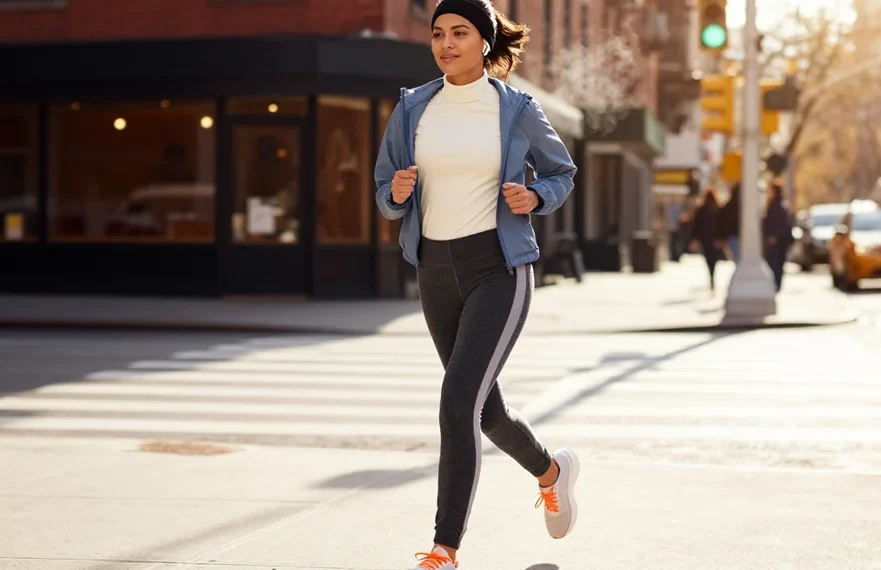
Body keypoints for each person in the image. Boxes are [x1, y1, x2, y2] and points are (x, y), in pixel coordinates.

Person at [374, 1, 580, 568]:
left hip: (499, 268)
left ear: (485, 42)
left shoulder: (514, 108)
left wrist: (536, 196)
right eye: (438, 33)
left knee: (456, 400)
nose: (445, 43)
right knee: (484, 411)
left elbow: (561, 171)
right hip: (435, 270)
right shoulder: (413, 108)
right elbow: (384, 194)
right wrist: (395, 192)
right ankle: (551, 471)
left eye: (459, 33)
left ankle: (445, 547)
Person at [689, 188, 723, 291]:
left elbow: (696, 226)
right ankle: (713, 276)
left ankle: (711, 276)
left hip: (706, 239)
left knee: (709, 258)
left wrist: (695, 239)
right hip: (715, 238)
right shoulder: (718, 209)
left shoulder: (702, 210)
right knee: (714, 259)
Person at [762, 181, 794, 292]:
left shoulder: (779, 206)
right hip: (777, 241)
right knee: (775, 264)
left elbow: (783, 224)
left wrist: (774, 236)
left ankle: (776, 286)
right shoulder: (775, 204)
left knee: (776, 265)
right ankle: (775, 285)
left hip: (778, 242)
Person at [716, 182, 741, 263]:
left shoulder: (729, 206)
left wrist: (721, 237)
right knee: (739, 258)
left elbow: (722, 222)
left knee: (737, 258)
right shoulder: (744, 206)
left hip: (733, 236)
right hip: (738, 235)